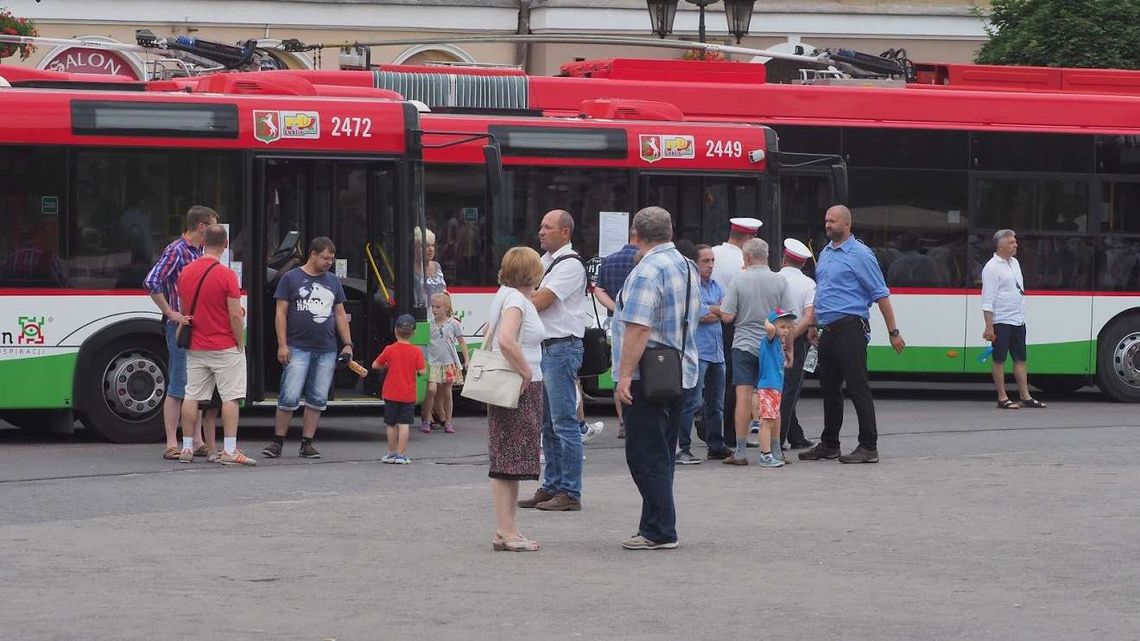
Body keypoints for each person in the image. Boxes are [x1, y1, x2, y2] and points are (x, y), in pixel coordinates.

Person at [613, 206, 700, 550]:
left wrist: (622, 378)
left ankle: (662, 529)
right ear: (670, 230)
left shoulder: (648, 270)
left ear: (635, 234)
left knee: (644, 454)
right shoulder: (687, 265)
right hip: (679, 370)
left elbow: (638, 327)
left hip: (646, 375)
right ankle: (651, 525)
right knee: (663, 451)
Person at [800, 205, 905, 465]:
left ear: (847, 224)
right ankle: (829, 444)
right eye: (825, 220)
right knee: (830, 389)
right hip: (828, 330)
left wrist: (894, 332)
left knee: (857, 388)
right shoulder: (825, 252)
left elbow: (881, 294)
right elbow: (822, 290)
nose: (827, 225)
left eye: (832, 221)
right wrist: (813, 325)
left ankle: (869, 446)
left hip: (850, 328)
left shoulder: (860, 254)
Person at [518, 209, 587, 512]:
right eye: (541, 226)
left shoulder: (570, 265)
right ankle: (552, 486)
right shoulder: (546, 261)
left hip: (562, 348)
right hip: (547, 348)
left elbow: (539, 301)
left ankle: (570, 492)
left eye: (548, 227)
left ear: (565, 233)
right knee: (548, 424)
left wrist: (519, 298)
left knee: (563, 422)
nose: (541, 231)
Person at [262, 237, 353, 460]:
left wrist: (347, 344)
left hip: (327, 348)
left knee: (317, 397)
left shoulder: (333, 281)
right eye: (325, 258)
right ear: (312, 254)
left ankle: (307, 443)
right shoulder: (290, 279)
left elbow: (340, 314)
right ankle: (278, 442)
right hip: (297, 346)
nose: (329, 262)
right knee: (289, 396)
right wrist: (282, 345)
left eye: (331, 259)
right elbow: (280, 314)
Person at [144, 205, 220, 461]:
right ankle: (171, 442)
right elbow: (152, 281)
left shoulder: (199, 251)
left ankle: (196, 440)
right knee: (178, 384)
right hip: (180, 327)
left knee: (195, 384)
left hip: (197, 326)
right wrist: (172, 313)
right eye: (213, 224)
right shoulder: (177, 250)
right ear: (202, 227)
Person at [175, 224, 253, 466]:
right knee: (231, 398)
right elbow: (235, 315)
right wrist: (240, 343)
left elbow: (184, 309)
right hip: (224, 346)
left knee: (191, 396)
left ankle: (187, 447)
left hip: (196, 345)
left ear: (202, 243)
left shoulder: (186, 272)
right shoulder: (227, 275)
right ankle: (229, 450)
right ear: (226, 244)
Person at [486, 247, 547, 552]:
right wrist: (524, 370)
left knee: (509, 461)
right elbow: (506, 339)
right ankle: (505, 530)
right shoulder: (516, 300)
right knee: (507, 460)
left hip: (516, 386)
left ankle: (507, 529)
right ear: (531, 272)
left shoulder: (506, 295)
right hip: (517, 387)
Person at [718, 237, 792, 466]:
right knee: (773, 397)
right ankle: (776, 450)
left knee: (742, 397)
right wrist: (788, 349)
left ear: (747, 257)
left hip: (744, 345)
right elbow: (788, 319)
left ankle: (740, 452)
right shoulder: (780, 281)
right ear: (767, 256)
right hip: (771, 349)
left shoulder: (738, 281)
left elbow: (728, 316)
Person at [676, 244, 730, 462]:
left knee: (716, 402)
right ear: (695, 263)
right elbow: (699, 315)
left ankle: (716, 445)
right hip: (698, 351)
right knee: (692, 401)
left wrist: (713, 309)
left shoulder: (717, 286)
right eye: (705, 261)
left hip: (717, 352)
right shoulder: (691, 287)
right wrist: (715, 310)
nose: (710, 265)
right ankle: (683, 447)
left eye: (712, 261)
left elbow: (728, 312)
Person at [982, 229, 1047, 410]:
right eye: (1012, 242)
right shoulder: (992, 267)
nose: (1016, 245)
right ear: (1001, 246)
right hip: (1001, 320)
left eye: (1015, 241)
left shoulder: (1015, 263)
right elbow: (987, 299)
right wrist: (989, 326)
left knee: (1020, 359)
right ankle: (1002, 397)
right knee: (999, 359)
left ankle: (1025, 396)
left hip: (1018, 319)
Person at [711, 217, 762, 447]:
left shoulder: (712, 253)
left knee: (712, 380)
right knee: (735, 381)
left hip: (709, 324)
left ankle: (714, 429)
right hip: (734, 325)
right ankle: (731, 433)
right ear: (749, 238)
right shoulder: (741, 262)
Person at [593, 233, 638, 439]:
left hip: (616, 323)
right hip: (640, 322)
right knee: (639, 373)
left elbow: (598, 289)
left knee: (619, 373)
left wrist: (615, 308)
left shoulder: (609, 260)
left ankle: (623, 422)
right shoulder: (645, 260)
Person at [778, 238, 817, 450]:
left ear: (784, 258)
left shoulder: (774, 278)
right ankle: (779, 438)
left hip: (772, 337)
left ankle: (795, 435)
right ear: (803, 264)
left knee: (777, 387)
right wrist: (791, 338)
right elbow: (809, 317)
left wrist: (781, 336)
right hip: (797, 340)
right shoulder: (809, 284)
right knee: (790, 390)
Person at [372, 315, 427, 464]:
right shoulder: (416, 352)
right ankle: (402, 455)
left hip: (391, 393)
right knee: (404, 424)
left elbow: (375, 365)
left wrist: (387, 365)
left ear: (395, 331)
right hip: (408, 394)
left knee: (391, 424)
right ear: (414, 333)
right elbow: (422, 371)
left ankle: (391, 453)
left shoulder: (389, 349)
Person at [421, 292, 468, 434]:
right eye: (433, 306)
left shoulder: (453, 324)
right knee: (431, 390)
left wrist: (467, 359)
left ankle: (448, 421)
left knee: (448, 393)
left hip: (448, 363)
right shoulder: (429, 324)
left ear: (447, 308)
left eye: (438, 307)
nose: (434, 310)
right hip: (433, 363)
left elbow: (461, 341)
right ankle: (427, 418)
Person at [756, 310, 796, 467]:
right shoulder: (770, 339)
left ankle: (768, 453)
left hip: (774, 388)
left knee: (770, 420)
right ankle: (765, 455)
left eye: (788, 327)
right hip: (769, 387)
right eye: (782, 326)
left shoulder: (778, 343)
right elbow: (771, 329)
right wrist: (767, 322)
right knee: (767, 421)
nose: (786, 330)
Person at [413, 227, 446, 308]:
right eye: (426, 246)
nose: (431, 249)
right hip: (422, 315)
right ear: (416, 248)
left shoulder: (437, 266)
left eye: (432, 245)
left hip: (440, 315)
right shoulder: (411, 270)